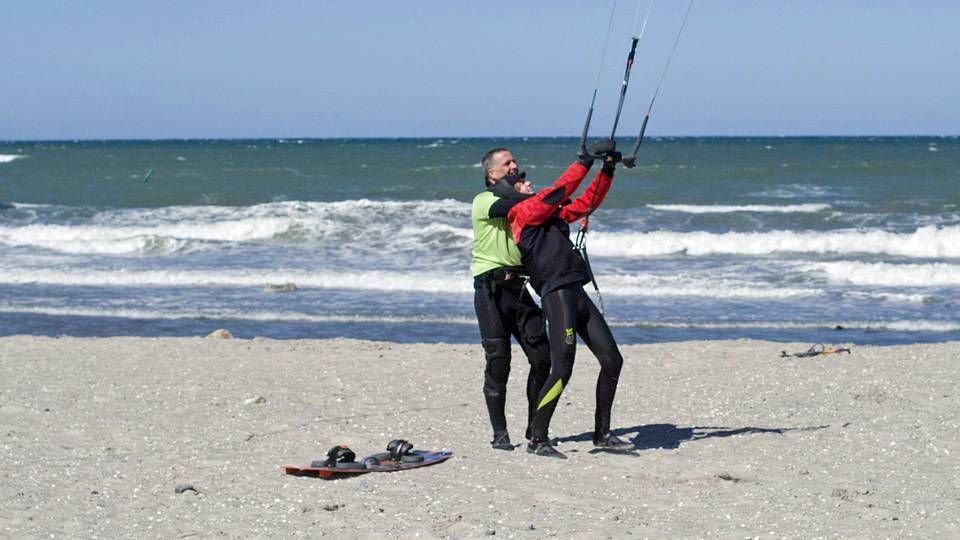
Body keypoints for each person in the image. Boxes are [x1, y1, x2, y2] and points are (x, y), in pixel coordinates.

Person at [485, 139, 633, 458]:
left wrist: (607, 168)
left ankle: (602, 434)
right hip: (557, 296)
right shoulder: (524, 213)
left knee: (612, 360)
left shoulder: (553, 215)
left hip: (576, 293)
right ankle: (538, 438)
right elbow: (560, 191)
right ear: (513, 193)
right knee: (562, 368)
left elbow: (586, 201)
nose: (528, 181)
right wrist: (584, 161)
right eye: (523, 181)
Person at [471, 148, 551, 450]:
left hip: (519, 290)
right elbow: (509, 206)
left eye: (516, 161)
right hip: (490, 292)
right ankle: (500, 433)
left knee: (543, 358)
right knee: (498, 362)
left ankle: (534, 427)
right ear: (492, 174)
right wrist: (535, 196)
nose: (515, 165)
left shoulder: (523, 204)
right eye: (508, 164)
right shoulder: (484, 201)